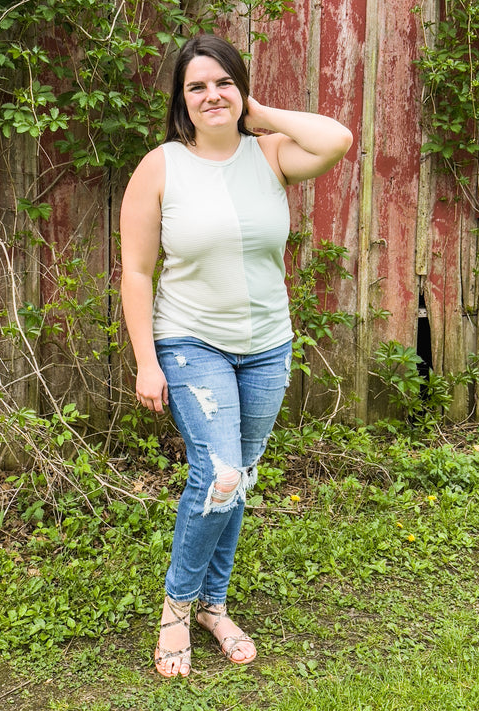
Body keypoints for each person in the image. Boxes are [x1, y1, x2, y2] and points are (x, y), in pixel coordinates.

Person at [120, 33, 352, 678]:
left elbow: (336, 139)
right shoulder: (159, 167)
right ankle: (177, 606)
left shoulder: (272, 154)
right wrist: (147, 361)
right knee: (219, 474)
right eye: (197, 86)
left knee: (241, 479)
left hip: (267, 345)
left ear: (240, 90)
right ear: (182, 100)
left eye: (223, 82)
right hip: (190, 341)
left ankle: (214, 605)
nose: (211, 95)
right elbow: (137, 272)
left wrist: (261, 113)